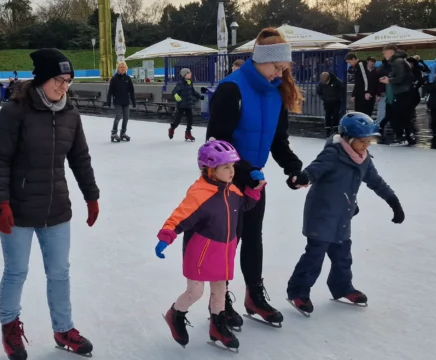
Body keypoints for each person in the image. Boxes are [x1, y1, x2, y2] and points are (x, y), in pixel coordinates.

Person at [0, 48, 100, 360]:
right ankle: (10, 329)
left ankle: (63, 329)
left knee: (60, 272)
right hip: (18, 209)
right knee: (16, 272)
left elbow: (80, 159)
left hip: (56, 209)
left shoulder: (70, 114)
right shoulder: (14, 112)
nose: (64, 87)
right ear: (41, 80)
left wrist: (91, 195)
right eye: (59, 80)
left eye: (68, 81)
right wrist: (0, 203)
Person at [205, 27, 307, 330]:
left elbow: (278, 140)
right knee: (226, 243)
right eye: (276, 65)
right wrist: (246, 171)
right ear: (260, 59)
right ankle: (219, 304)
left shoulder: (276, 91)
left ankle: (254, 295)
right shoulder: (231, 89)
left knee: (252, 239)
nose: (281, 71)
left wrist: (293, 168)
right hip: (224, 180)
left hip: (253, 180)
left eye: (284, 66)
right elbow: (216, 141)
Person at [286, 112, 405, 315]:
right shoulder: (333, 154)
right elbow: (315, 169)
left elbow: (376, 182)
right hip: (321, 215)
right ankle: (298, 292)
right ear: (349, 139)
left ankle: (342, 287)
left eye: (369, 141)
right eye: (363, 141)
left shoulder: (363, 159)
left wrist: (393, 202)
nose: (366, 145)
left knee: (343, 256)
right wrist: (303, 177)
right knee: (314, 256)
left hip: (343, 216)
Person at [155, 139, 265, 351]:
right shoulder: (199, 193)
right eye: (225, 167)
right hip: (201, 250)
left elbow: (245, 205)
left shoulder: (232, 190)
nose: (232, 172)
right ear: (210, 170)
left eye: (232, 166)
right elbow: (180, 216)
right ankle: (175, 313)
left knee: (220, 291)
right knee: (195, 292)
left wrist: (256, 188)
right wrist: (166, 235)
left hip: (224, 251)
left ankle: (218, 326)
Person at [378, 44, 415, 146]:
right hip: (405, 92)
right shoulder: (401, 61)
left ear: (391, 52)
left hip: (401, 93)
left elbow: (401, 78)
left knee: (397, 116)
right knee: (403, 116)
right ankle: (408, 138)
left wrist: (389, 80)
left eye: (384, 52)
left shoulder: (397, 62)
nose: (384, 55)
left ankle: (401, 138)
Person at [169, 68, 203, 141]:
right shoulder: (180, 84)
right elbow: (174, 92)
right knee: (177, 120)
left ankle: (188, 133)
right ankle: (172, 128)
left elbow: (193, 92)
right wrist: (176, 95)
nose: (190, 74)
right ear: (184, 75)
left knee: (190, 120)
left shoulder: (190, 82)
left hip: (188, 105)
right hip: (181, 105)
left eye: (190, 72)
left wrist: (200, 96)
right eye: (188, 73)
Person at [106, 61, 136, 142]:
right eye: (121, 67)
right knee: (118, 116)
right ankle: (114, 132)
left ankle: (123, 132)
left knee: (126, 117)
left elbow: (131, 91)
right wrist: (108, 101)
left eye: (124, 67)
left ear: (126, 68)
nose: (122, 69)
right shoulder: (114, 78)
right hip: (118, 101)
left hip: (126, 101)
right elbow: (110, 91)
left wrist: (133, 101)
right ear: (118, 69)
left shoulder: (128, 78)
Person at [317, 71, 346, 137]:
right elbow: (318, 91)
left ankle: (335, 129)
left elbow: (342, 89)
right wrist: (323, 98)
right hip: (327, 101)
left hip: (336, 101)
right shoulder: (321, 83)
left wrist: (338, 97)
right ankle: (328, 129)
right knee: (328, 115)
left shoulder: (336, 81)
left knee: (336, 114)